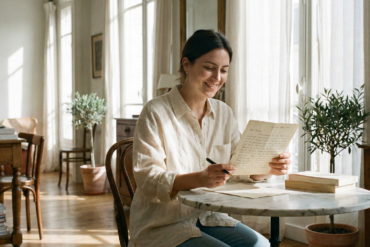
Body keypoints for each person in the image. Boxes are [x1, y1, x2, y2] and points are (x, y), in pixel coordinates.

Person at [128, 30, 291, 247]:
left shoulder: (224, 113)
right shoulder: (155, 111)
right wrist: (199, 178)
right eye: (209, 68)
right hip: (161, 225)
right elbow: (148, 180)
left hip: (208, 217)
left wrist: (268, 166)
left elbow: (238, 167)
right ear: (186, 65)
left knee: (260, 245)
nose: (217, 78)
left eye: (224, 70)